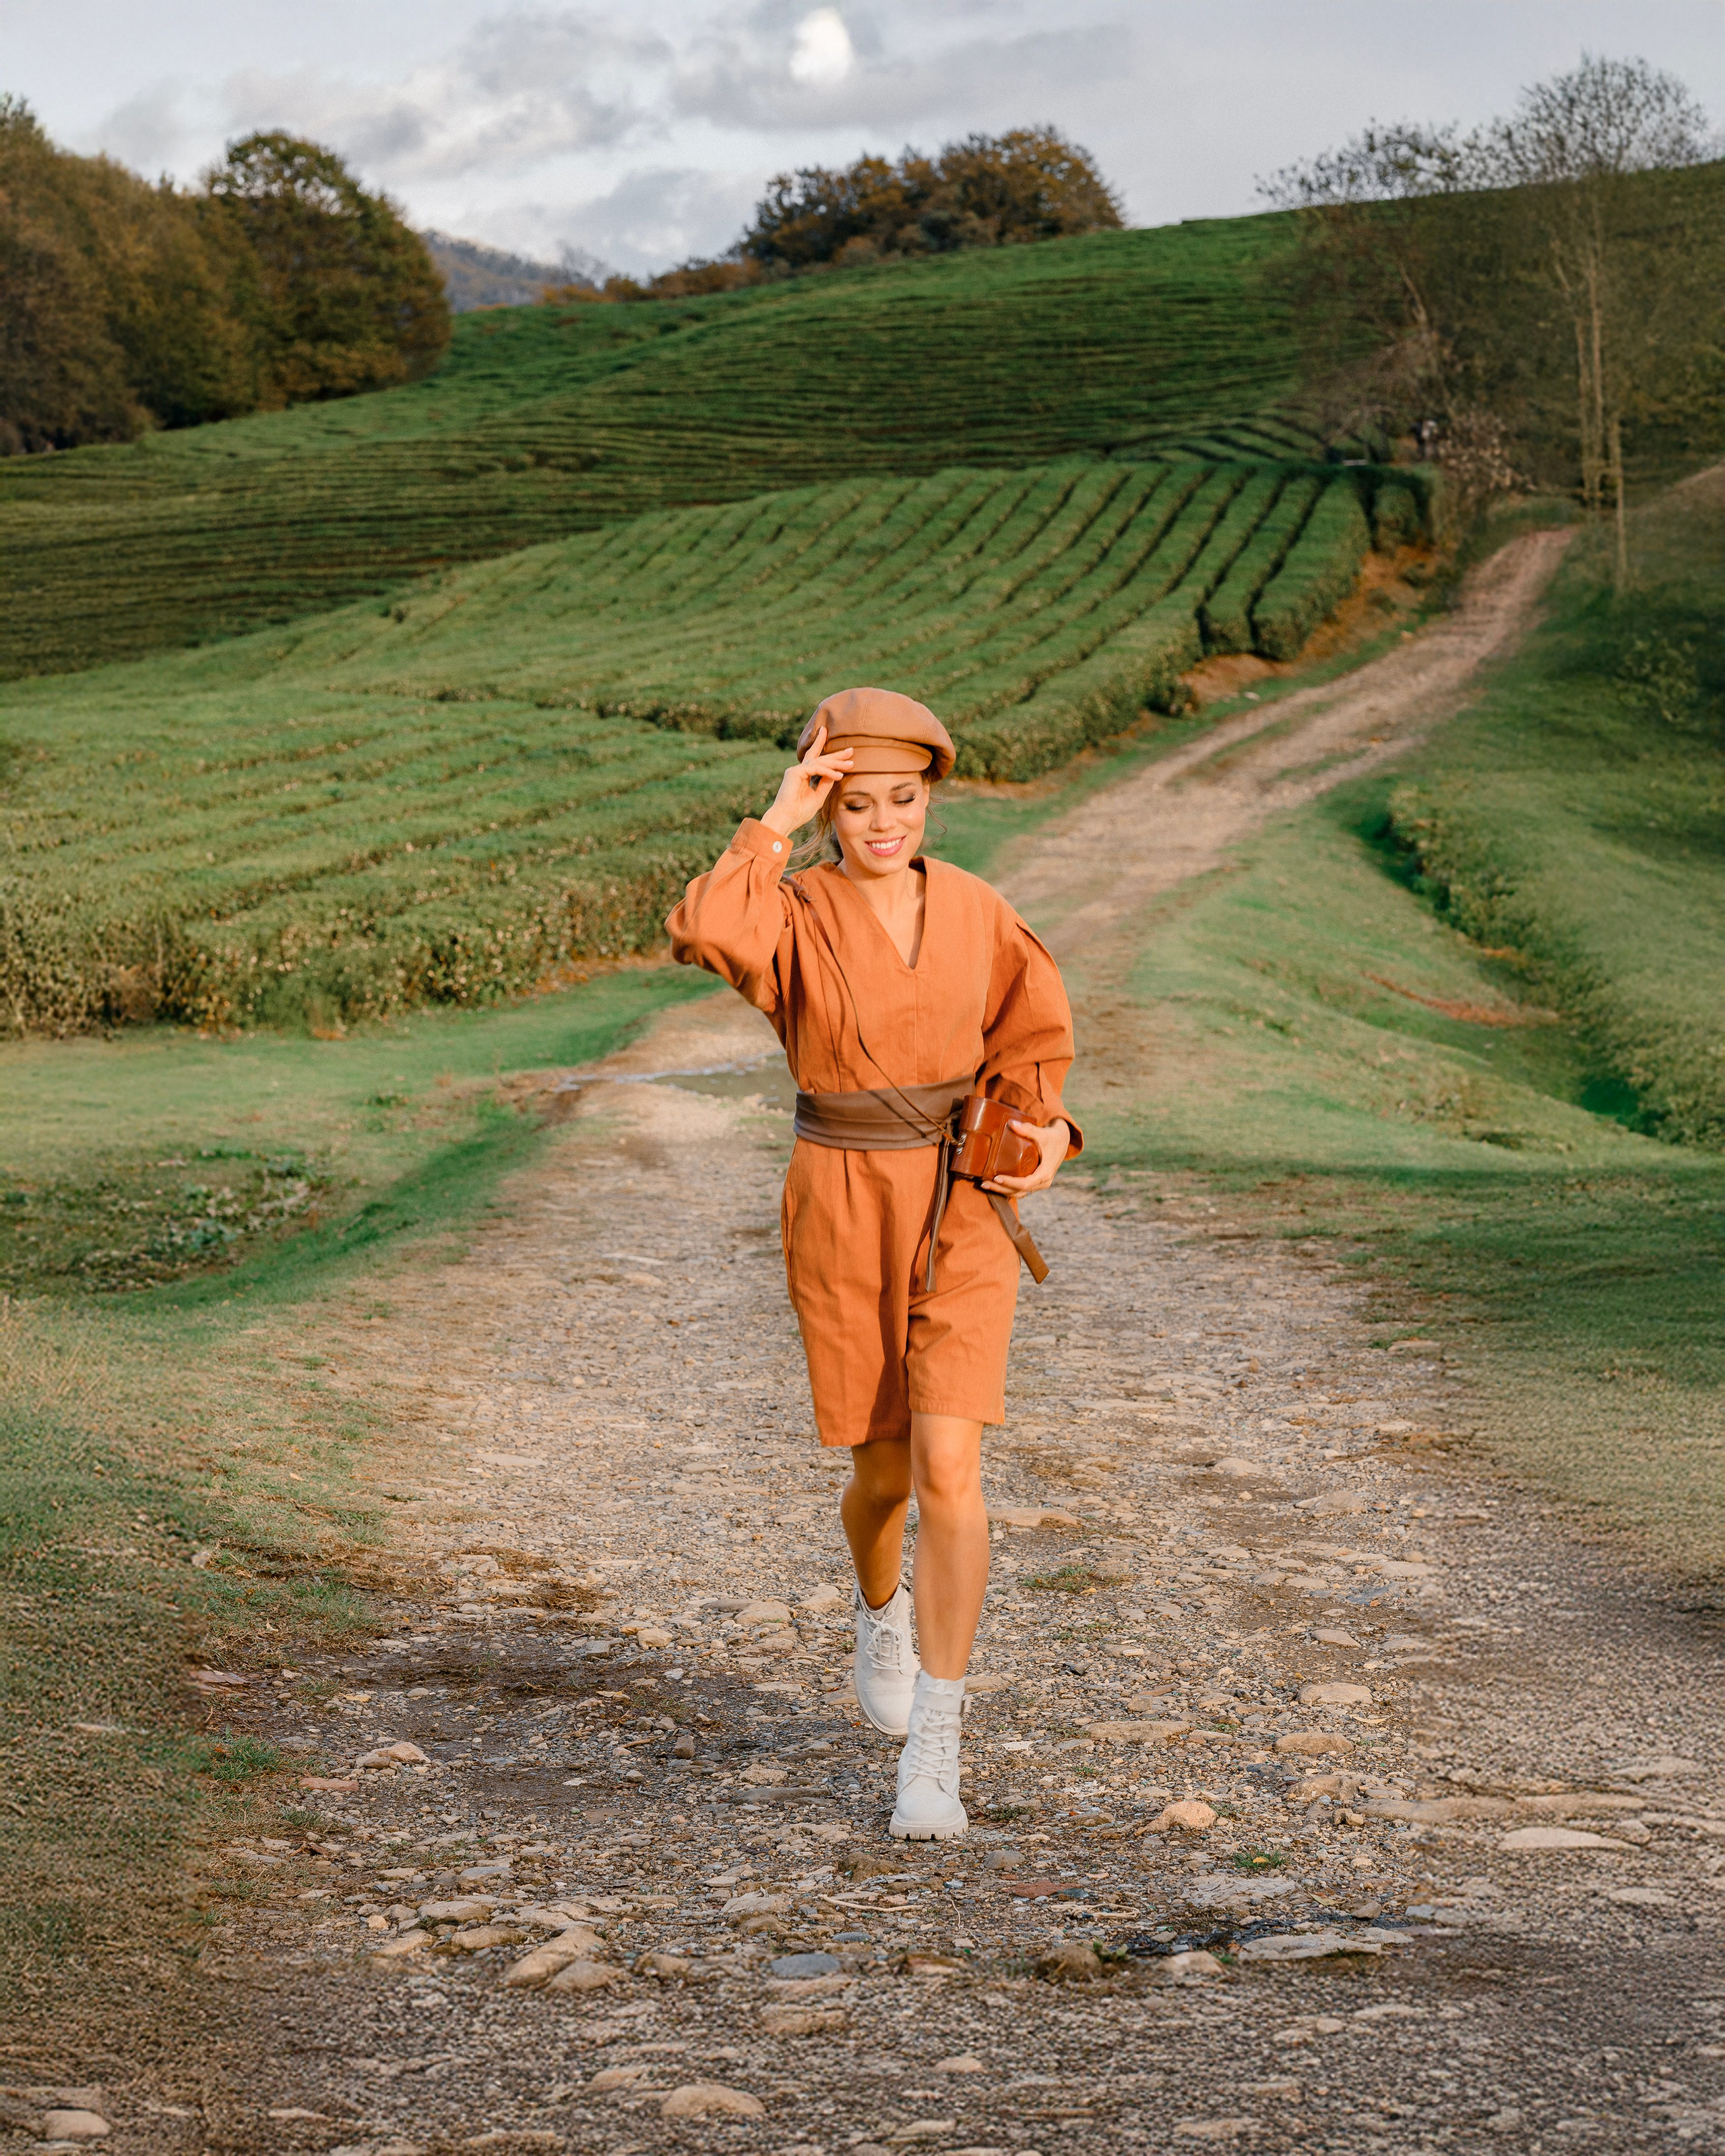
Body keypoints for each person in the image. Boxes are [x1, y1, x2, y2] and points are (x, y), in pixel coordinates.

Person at [666, 685, 1081, 1840]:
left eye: (902, 799)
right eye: (855, 802)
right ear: (829, 804)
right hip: (843, 1203)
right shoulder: (790, 912)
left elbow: (1036, 1053)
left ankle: (936, 1754)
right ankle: (877, 1603)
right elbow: (704, 929)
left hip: (962, 1206)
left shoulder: (983, 912)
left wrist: (1046, 1139)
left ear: (932, 798)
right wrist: (776, 817)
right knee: (886, 1477)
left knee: (954, 1466)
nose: (882, 822)